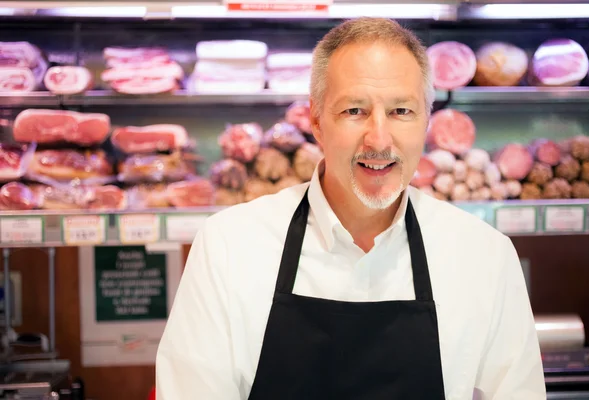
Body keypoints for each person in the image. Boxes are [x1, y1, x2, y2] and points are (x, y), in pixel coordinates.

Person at [156, 17, 546, 399]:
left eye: (401, 111)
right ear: (316, 121)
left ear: (426, 122)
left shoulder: (484, 256)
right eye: (354, 111)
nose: (378, 139)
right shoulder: (229, 247)